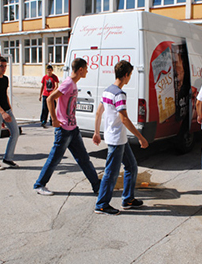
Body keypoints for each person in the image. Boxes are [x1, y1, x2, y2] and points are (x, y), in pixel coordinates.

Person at [34, 58, 100, 195]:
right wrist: (54, 119)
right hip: (63, 130)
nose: (87, 71)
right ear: (80, 69)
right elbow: (50, 98)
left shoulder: (73, 84)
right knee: (54, 159)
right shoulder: (68, 83)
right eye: (86, 68)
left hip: (73, 129)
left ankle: (97, 186)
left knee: (84, 159)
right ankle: (39, 185)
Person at [93, 60, 149, 215]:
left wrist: (97, 132)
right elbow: (124, 118)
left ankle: (128, 199)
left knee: (131, 167)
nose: (130, 78)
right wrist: (140, 137)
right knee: (110, 173)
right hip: (116, 140)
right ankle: (102, 204)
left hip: (119, 139)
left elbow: (99, 112)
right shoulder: (119, 94)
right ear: (126, 75)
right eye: (130, 75)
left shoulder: (107, 91)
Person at [0, 57, 20, 170]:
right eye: (1, 66)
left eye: (5, 66)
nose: (4, 68)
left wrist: (9, 109)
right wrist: (2, 112)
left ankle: (8, 158)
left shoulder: (5, 79)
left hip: (6, 111)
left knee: (15, 132)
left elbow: (5, 94)